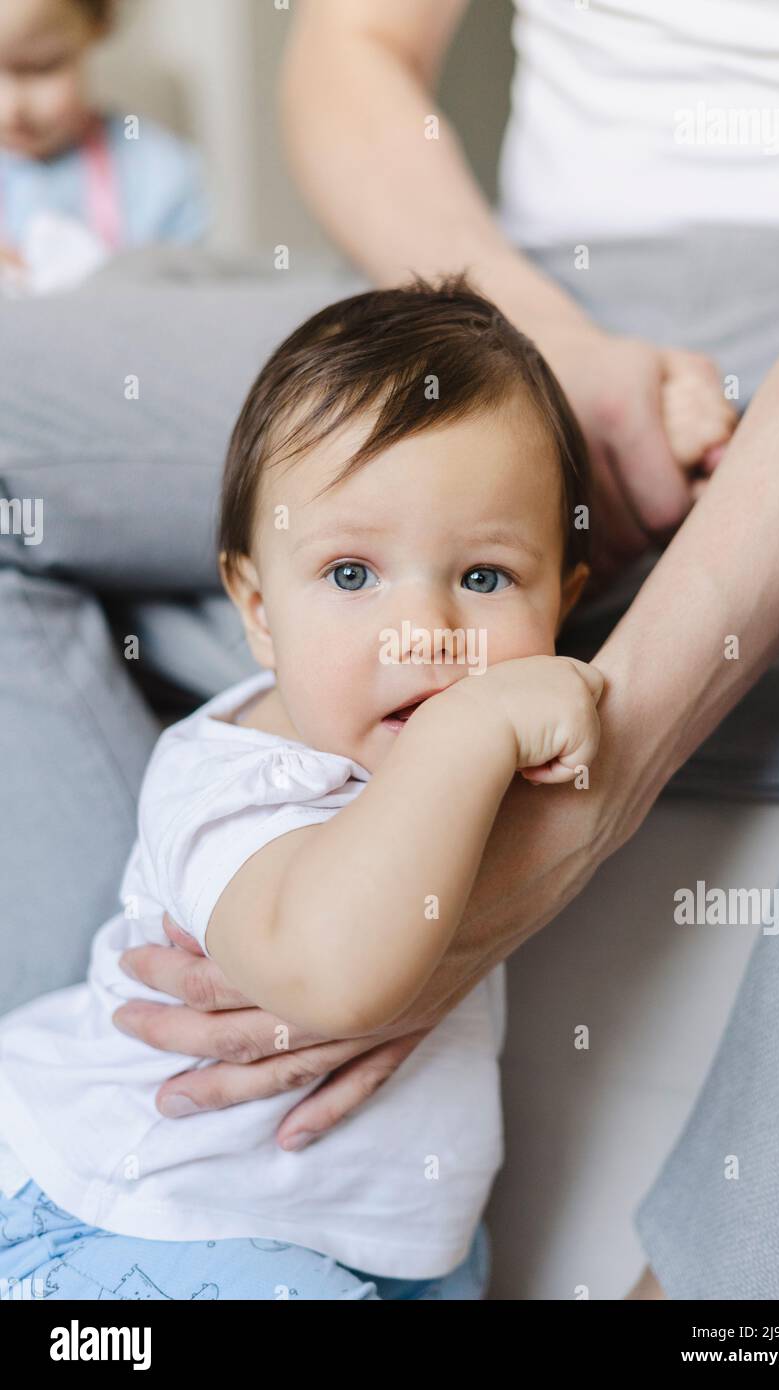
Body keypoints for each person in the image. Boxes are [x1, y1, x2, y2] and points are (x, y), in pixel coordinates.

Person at [0, 275, 610, 1299]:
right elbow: (332, 970)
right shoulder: (234, 775)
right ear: (258, 608)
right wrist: (468, 725)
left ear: (564, 602)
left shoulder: (493, 752)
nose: (422, 633)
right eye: (350, 575)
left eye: (485, 577)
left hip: (382, 1240)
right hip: (143, 1220)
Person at [0, 0, 207, 293]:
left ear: (98, 25)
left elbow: (186, 299)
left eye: (41, 68)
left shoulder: (159, 172)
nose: (10, 108)